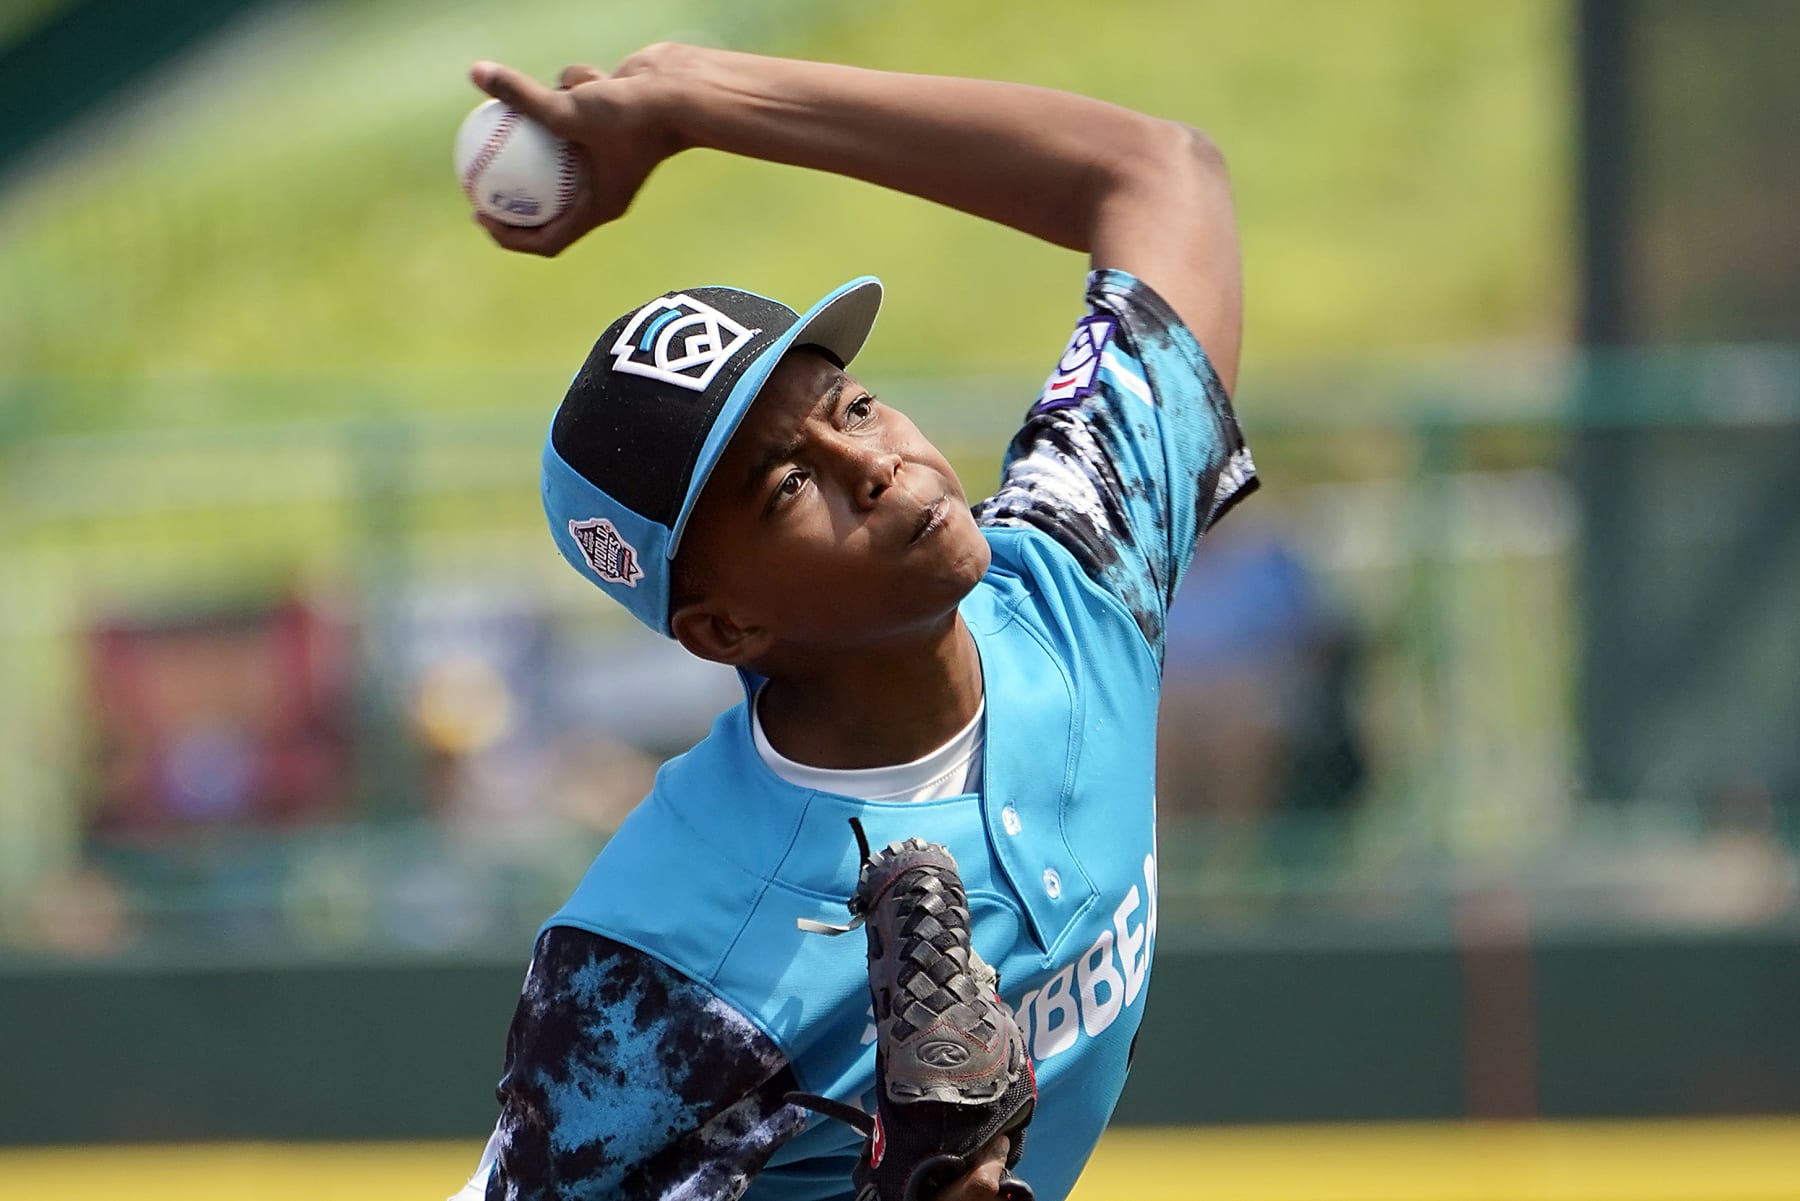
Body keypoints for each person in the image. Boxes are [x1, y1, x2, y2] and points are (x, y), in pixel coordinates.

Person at [451, 43, 1254, 1201]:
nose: (872, 462)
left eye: (854, 404)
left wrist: (696, 103)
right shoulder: (655, 972)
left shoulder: (1083, 576)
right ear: (721, 628)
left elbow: (1158, 173)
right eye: (787, 485)